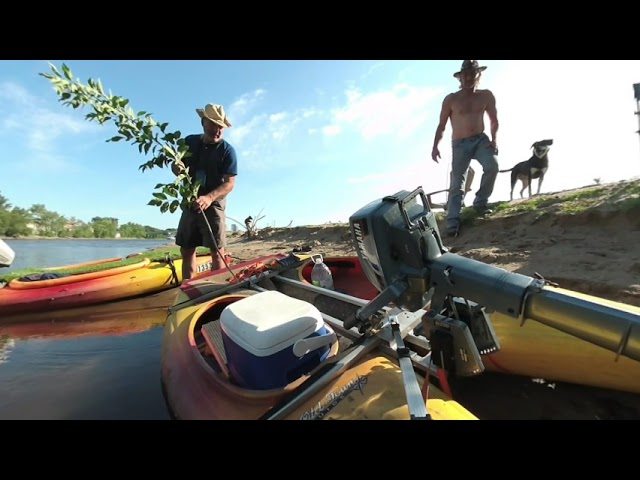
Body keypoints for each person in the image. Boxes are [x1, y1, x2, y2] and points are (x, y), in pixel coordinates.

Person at [431, 60, 500, 237]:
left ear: (478, 75)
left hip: (480, 140)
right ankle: (453, 220)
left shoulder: (486, 95)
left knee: (492, 166)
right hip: (460, 144)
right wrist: (435, 145)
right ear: (460, 77)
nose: (469, 77)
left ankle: (480, 203)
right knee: (457, 183)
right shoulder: (451, 99)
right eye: (465, 74)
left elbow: (494, 120)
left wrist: (494, 140)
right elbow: (441, 125)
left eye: (472, 74)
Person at [171, 103, 238, 280]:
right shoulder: (189, 142)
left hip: (214, 203)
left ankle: (217, 289)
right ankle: (188, 288)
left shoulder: (227, 151)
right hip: (190, 201)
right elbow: (176, 166)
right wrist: (177, 168)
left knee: (217, 251)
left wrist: (209, 197)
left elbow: (229, 184)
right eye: (214, 125)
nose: (218, 130)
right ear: (203, 122)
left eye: (221, 126)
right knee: (186, 249)